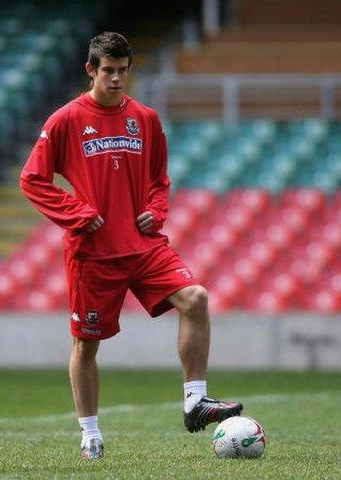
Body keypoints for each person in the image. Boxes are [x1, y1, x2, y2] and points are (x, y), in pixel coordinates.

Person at [20, 32, 243, 459]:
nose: (118, 79)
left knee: (195, 298)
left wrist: (156, 212)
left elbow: (160, 180)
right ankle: (90, 434)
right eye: (109, 71)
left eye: (123, 71)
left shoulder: (146, 118)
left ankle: (195, 401)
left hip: (143, 245)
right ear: (92, 70)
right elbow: (32, 179)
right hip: (94, 253)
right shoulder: (65, 120)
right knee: (86, 345)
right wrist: (77, 213)